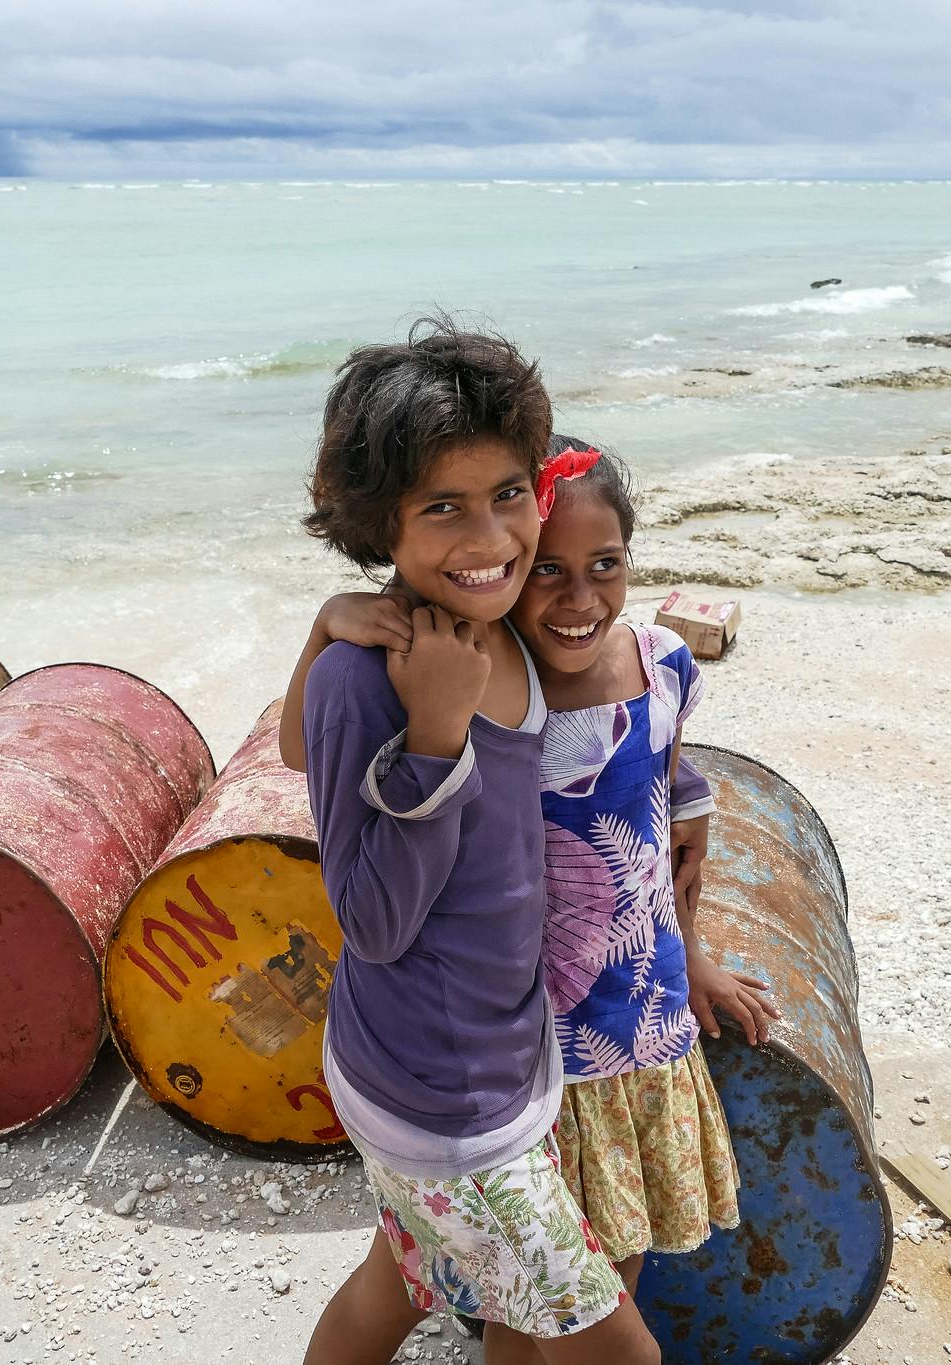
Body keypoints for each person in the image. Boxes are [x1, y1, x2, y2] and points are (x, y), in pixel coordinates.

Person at [289, 437, 780, 1362]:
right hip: (516, 1069)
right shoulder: (478, 672)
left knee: (452, 1275)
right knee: (535, 1317)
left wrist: (697, 955)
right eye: (547, 569)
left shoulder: (653, 665)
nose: (578, 596)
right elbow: (337, 795)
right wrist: (334, 631)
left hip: (626, 1037)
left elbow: (665, 821)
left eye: (605, 565)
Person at [294, 322, 661, 1365]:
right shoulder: (369, 680)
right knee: (619, 1353)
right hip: (440, 1099)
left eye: (506, 494)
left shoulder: (498, 628)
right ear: (382, 528)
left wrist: (320, 619)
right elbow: (369, 920)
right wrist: (431, 734)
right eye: (440, 508)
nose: (488, 536)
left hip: (502, 1061)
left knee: (408, 1287)